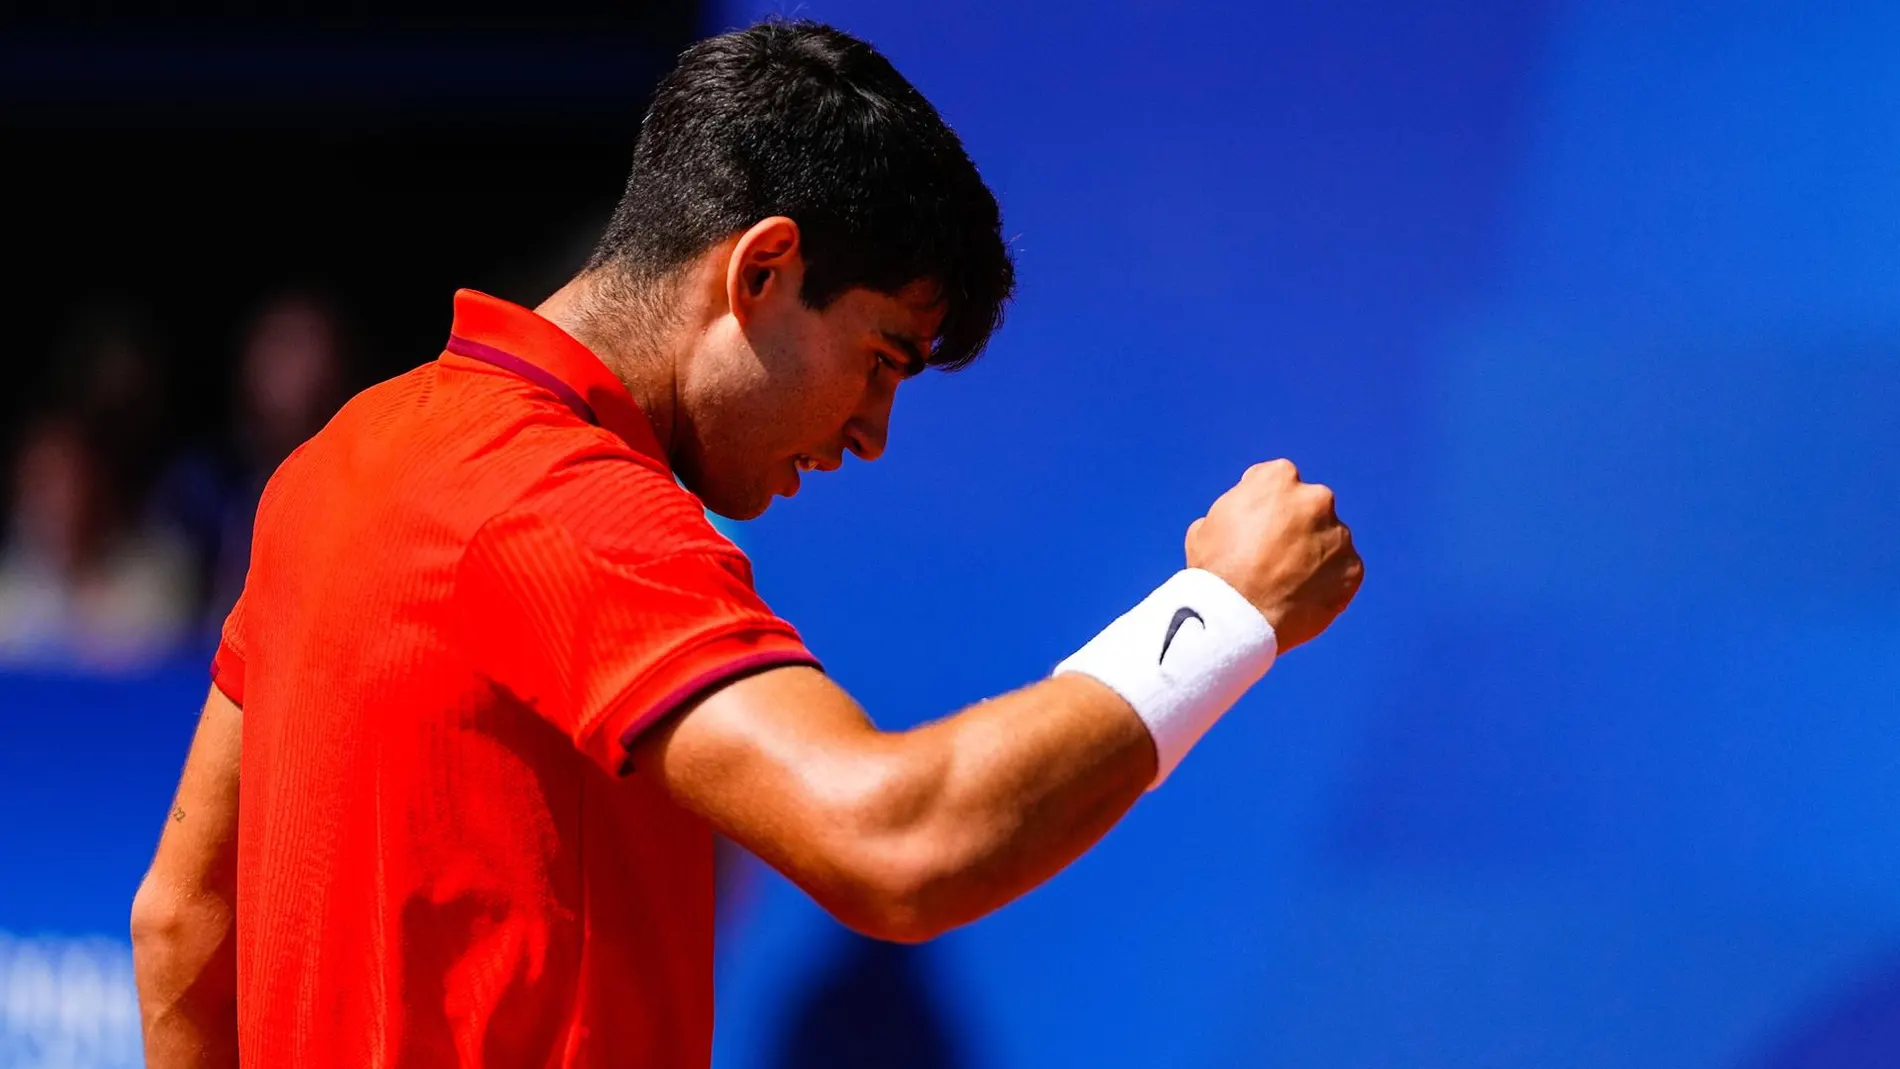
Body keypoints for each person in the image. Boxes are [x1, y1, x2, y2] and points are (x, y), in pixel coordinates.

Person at [129, 19, 1363, 1069]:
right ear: (762, 269)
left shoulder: (345, 456)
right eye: (880, 360)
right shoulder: (564, 503)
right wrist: (1223, 611)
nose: (872, 433)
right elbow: (896, 840)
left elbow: (185, 919)